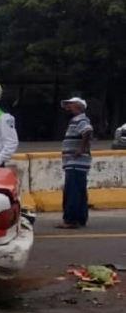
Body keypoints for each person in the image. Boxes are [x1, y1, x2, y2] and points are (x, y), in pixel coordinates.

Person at [58, 96, 94, 229]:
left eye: (71, 104)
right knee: (79, 191)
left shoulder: (81, 119)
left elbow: (88, 131)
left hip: (75, 162)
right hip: (77, 163)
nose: (68, 107)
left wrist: (81, 149)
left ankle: (71, 220)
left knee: (72, 191)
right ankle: (80, 218)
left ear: (78, 106)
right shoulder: (76, 120)